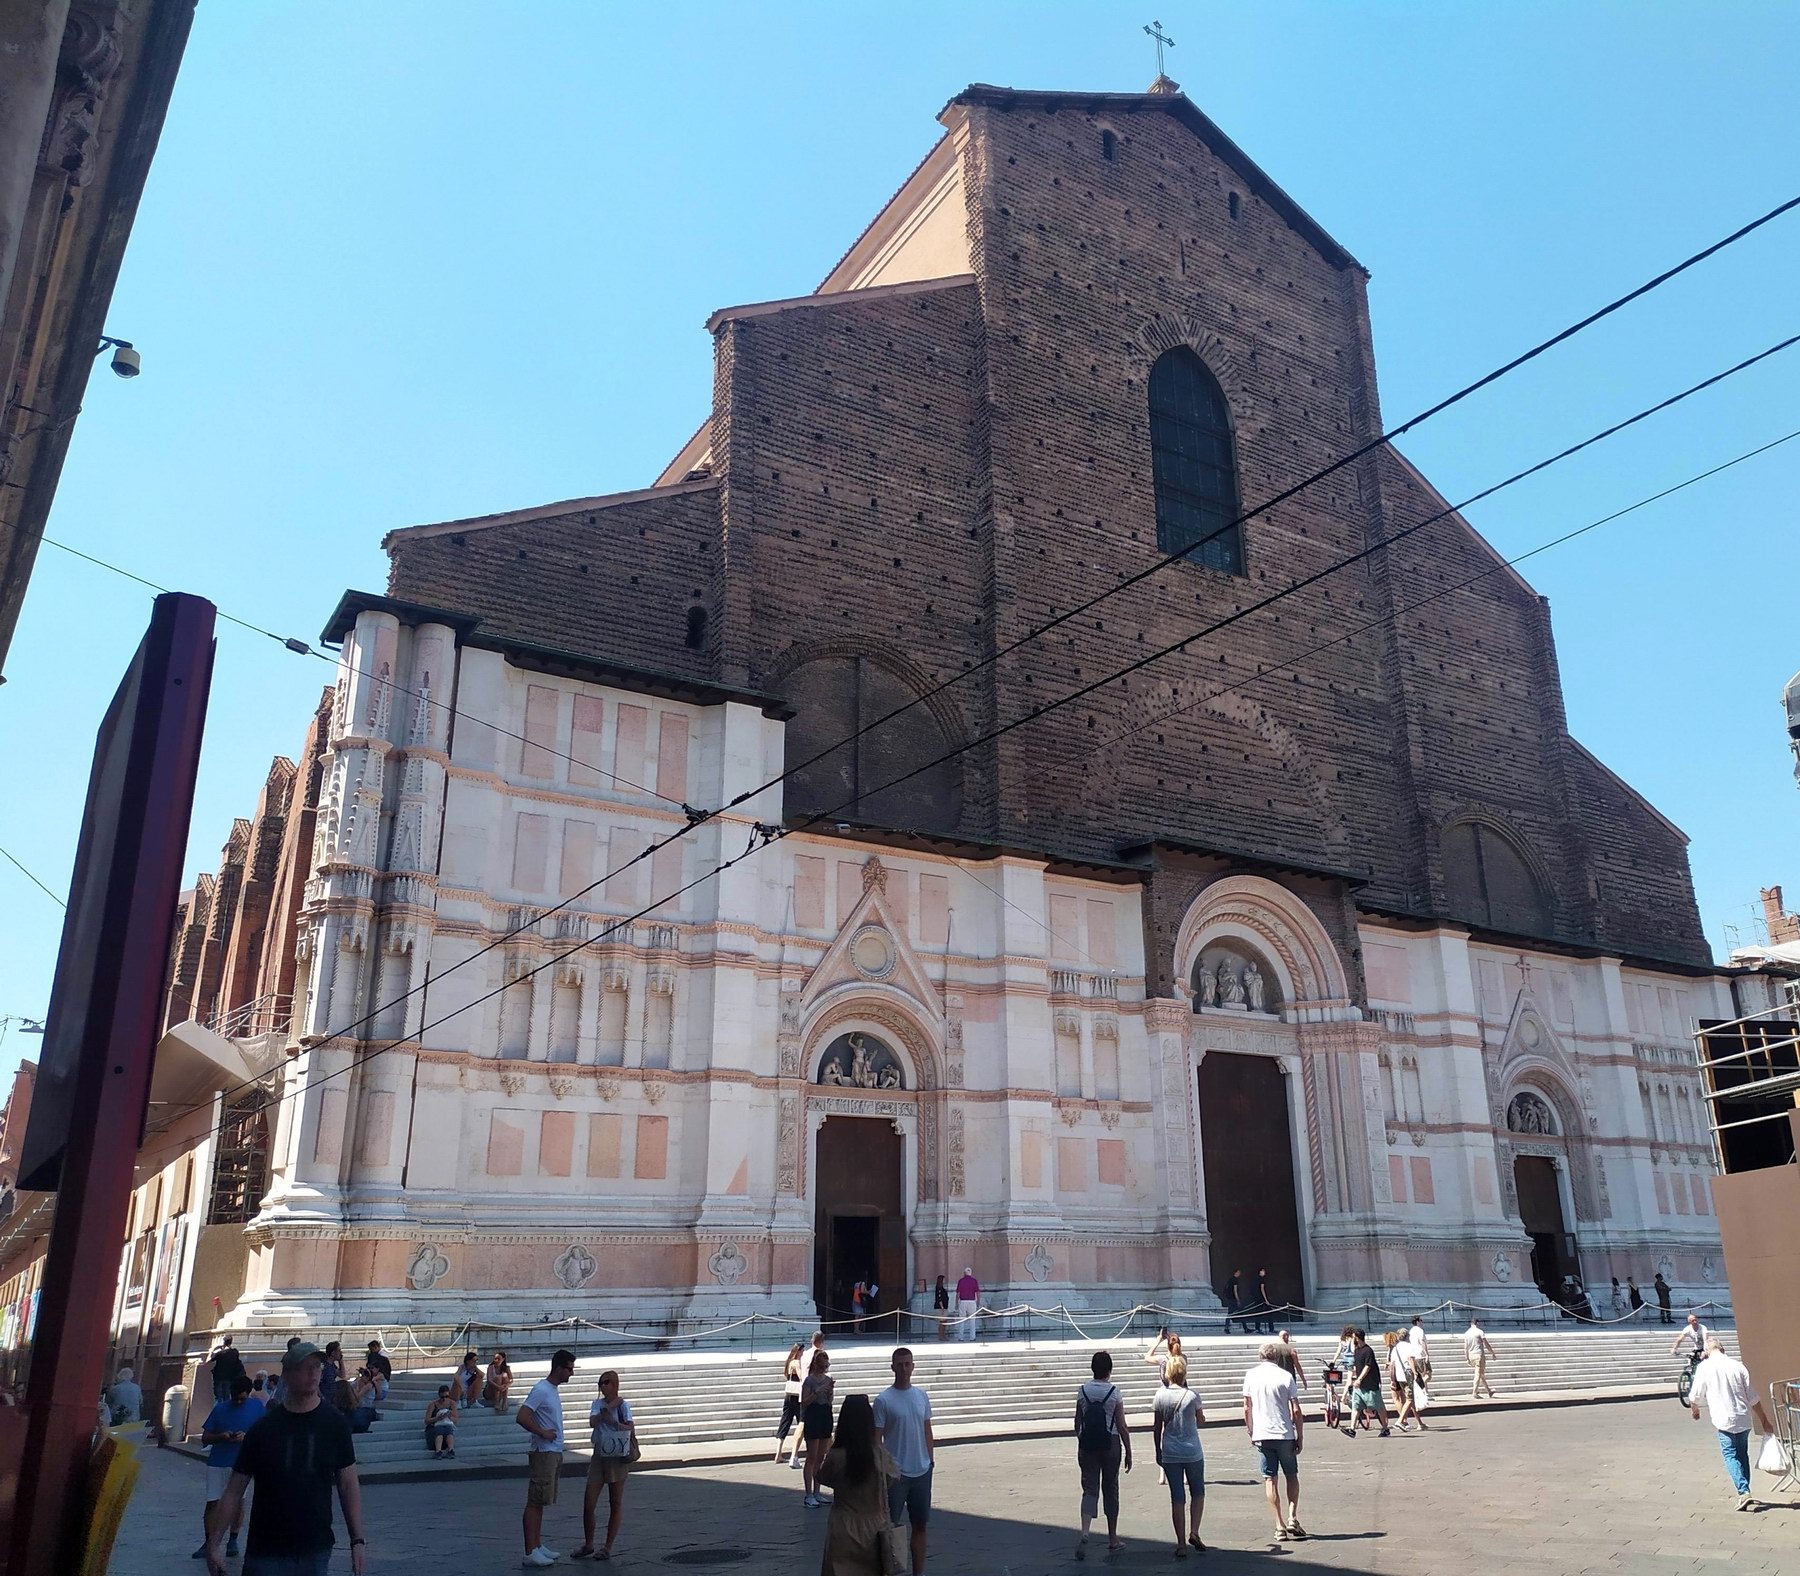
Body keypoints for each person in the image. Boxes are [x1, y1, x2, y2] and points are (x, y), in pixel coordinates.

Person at [205, 1341, 365, 1576]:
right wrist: (215, 1543)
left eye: (317, 1366)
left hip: (315, 1548)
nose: (313, 1373)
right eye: (304, 1367)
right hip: (265, 1549)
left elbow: (348, 1482)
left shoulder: (335, 1424)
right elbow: (234, 1489)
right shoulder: (263, 1428)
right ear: (287, 1376)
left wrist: (357, 1541)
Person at [1688, 1335, 1775, 1511]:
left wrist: (1694, 1409)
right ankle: (1745, 1490)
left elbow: (1695, 1394)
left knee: (1730, 1454)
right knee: (1742, 1454)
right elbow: (1753, 1397)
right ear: (1722, 1349)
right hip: (1742, 1417)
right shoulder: (1738, 1366)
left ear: (1707, 1351)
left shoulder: (1705, 1367)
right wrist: (1764, 1419)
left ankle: (1743, 1492)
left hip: (1723, 1418)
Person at [818, 1392, 895, 1576]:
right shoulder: (880, 1455)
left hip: (843, 1527)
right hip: (874, 1528)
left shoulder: (836, 1457)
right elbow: (891, 1478)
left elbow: (822, 1477)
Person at [873, 1348, 934, 1574]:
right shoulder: (883, 1400)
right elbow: (876, 1439)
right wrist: (883, 1469)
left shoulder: (921, 1396)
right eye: (899, 1365)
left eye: (907, 1364)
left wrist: (930, 1461)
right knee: (889, 1527)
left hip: (922, 1470)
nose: (904, 1369)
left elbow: (927, 1429)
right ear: (892, 1367)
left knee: (921, 1524)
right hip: (895, 1474)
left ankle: (918, 1572)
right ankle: (889, 1570)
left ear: (913, 1366)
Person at [192, 1371, 263, 1561]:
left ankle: (233, 1539)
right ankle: (209, 1541)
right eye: (235, 1398)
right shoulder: (220, 1409)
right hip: (218, 1461)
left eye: (242, 1399)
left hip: (242, 1462)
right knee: (213, 1502)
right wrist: (221, 1436)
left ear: (248, 1394)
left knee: (239, 1501)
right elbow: (205, 1438)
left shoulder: (257, 1408)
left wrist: (246, 1437)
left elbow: (264, 1434)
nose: (238, 1402)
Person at [517, 1347, 576, 1568]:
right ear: (559, 1368)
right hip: (544, 1451)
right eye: (569, 1369)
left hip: (552, 1450)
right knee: (534, 1501)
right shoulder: (541, 1389)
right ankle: (530, 1551)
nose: (571, 1373)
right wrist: (542, 1432)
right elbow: (522, 1416)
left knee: (541, 1501)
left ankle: (537, 1545)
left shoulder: (551, 1389)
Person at [1243, 1339, 1306, 1541]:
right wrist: (1300, 1435)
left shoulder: (1251, 1375)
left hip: (1262, 1434)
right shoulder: (1285, 1376)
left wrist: (1251, 1429)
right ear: (1277, 1357)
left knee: (1270, 1478)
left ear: (1260, 1357)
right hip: (1284, 1433)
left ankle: (1278, 1524)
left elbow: (1246, 1406)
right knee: (1291, 1474)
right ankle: (1292, 1517)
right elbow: (1296, 1409)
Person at [1073, 1349, 1132, 1559]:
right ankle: (1112, 1538)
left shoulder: (1082, 1391)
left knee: (1089, 1488)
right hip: (1111, 1443)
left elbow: (1077, 1422)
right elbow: (1122, 1425)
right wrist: (1129, 1450)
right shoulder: (1114, 1392)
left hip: (1088, 1444)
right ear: (1109, 1370)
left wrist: (1082, 1441)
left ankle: (1085, 1531)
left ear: (1092, 1369)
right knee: (1111, 1487)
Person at [575, 1369, 636, 1560]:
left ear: (615, 1384)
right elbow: (592, 1422)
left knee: (615, 1502)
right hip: (599, 1455)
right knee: (588, 1503)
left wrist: (612, 1420)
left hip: (617, 1456)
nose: (603, 1386)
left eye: (606, 1382)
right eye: (600, 1383)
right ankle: (589, 1543)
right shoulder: (597, 1404)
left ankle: (607, 1547)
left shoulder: (624, 1405)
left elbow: (630, 1429)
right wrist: (605, 1413)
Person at [1151, 1353, 1207, 1557]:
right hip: (1192, 1450)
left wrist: (1157, 1450)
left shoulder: (1160, 1395)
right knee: (1198, 1491)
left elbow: (1157, 1427)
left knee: (1177, 1497)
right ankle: (1195, 1531)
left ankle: (1181, 1543)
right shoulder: (1192, 1396)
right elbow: (1201, 1421)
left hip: (1170, 1451)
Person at [800, 1348, 837, 1508]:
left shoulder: (828, 1379)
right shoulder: (809, 1381)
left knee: (821, 1456)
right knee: (812, 1456)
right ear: (816, 1365)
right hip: (813, 1415)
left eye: (826, 1366)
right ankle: (808, 1494)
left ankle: (817, 1491)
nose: (824, 1369)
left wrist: (829, 1392)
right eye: (822, 1366)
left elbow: (830, 1401)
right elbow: (804, 1402)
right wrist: (817, 1391)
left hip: (824, 1414)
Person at [1347, 1330, 1389, 1438]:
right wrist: (1354, 1378)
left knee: (1379, 1407)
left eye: (1353, 1337)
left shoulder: (1368, 1350)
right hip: (1360, 1386)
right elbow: (1358, 1366)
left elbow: (1368, 1366)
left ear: (1357, 1337)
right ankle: (1352, 1429)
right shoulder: (1357, 1351)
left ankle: (1385, 1428)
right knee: (1356, 1406)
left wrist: (1359, 1379)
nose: (1352, 1339)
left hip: (1371, 1385)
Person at [775, 1340, 807, 1467]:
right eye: (802, 1351)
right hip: (796, 1396)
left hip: (788, 1395)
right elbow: (801, 1378)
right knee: (802, 1424)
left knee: (784, 1423)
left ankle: (778, 1454)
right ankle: (795, 1453)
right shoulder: (796, 1362)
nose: (803, 1353)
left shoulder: (788, 1362)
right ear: (799, 1351)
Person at [1324, 1325, 1357, 1430]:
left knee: (1350, 1376)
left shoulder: (1342, 1340)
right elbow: (1353, 1349)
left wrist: (1333, 1361)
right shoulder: (1351, 1339)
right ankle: (1344, 1396)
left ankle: (1348, 1392)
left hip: (1345, 1360)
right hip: (1352, 1359)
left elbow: (1338, 1351)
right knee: (1350, 1379)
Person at [1463, 1317, 1496, 1399]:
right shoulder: (1479, 1332)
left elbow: (1465, 1347)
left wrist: (1467, 1358)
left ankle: (1489, 1391)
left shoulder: (1466, 1333)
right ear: (1477, 1323)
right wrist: (1492, 1353)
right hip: (1479, 1355)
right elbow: (1486, 1344)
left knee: (1481, 1373)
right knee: (1478, 1373)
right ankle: (1474, 1392)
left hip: (1471, 1355)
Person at [425, 1385, 456, 1459]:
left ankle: (451, 1449)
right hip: (434, 1425)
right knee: (439, 1430)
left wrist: (449, 1416)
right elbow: (427, 1420)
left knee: (449, 1430)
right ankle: (438, 1451)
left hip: (447, 1424)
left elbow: (455, 1419)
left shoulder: (452, 1403)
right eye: (442, 1397)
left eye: (446, 1396)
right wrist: (438, 1418)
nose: (444, 1399)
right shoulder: (433, 1404)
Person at [955, 1266, 979, 1341]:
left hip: (963, 1301)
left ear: (964, 1273)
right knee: (972, 1320)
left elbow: (958, 1293)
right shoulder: (974, 1281)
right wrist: (978, 1302)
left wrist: (956, 1303)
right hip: (972, 1301)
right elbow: (977, 1292)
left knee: (961, 1319)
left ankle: (960, 1337)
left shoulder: (961, 1281)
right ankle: (972, 1337)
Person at [1408, 1316, 1433, 1389]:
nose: (1422, 1322)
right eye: (1421, 1320)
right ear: (1417, 1321)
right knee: (1428, 1375)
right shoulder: (1419, 1330)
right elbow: (1422, 1341)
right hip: (1421, 1354)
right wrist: (1426, 1353)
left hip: (1415, 1354)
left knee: (1422, 1374)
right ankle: (1420, 1386)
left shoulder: (1411, 1331)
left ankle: (1425, 1392)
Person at [1223, 1269, 1244, 1334]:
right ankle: (1245, 1328)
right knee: (1241, 1312)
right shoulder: (1235, 1280)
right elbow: (1235, 1290)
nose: (1239, 1274)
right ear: (1236, 1273)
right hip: (1233, 1299)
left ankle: (1226, 1327)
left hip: (1229, 1298)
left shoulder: (1230, 1279)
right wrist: (1238, 1300)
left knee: (1230, 1313)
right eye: (1239, 1272)